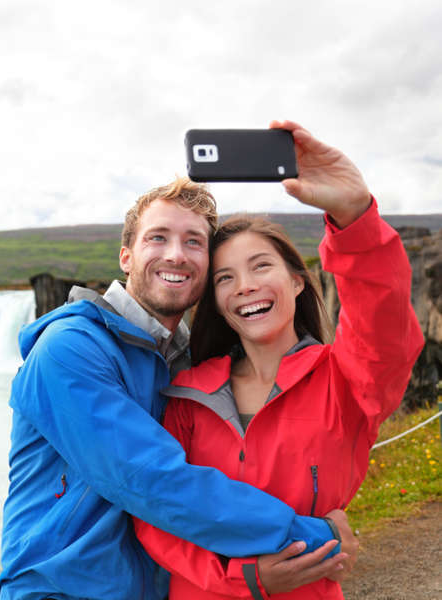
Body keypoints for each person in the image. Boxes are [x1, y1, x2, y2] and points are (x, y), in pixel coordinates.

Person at [0, 121, 358, 600]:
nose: (176, 254)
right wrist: (312, 535)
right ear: (126, 256)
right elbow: (150, 480)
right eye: (157, 238)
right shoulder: (70, 349)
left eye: (194, 242)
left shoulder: (185, 363)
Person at [133, 120, 424, 599]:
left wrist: (353, 215)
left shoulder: (346, 380)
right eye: (224, 278)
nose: (244, 285)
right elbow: (154, 514)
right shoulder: (185, 392)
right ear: (217, 302)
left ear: (297, 281)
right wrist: (246, 576)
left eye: (261, 266)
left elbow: (383, 327)